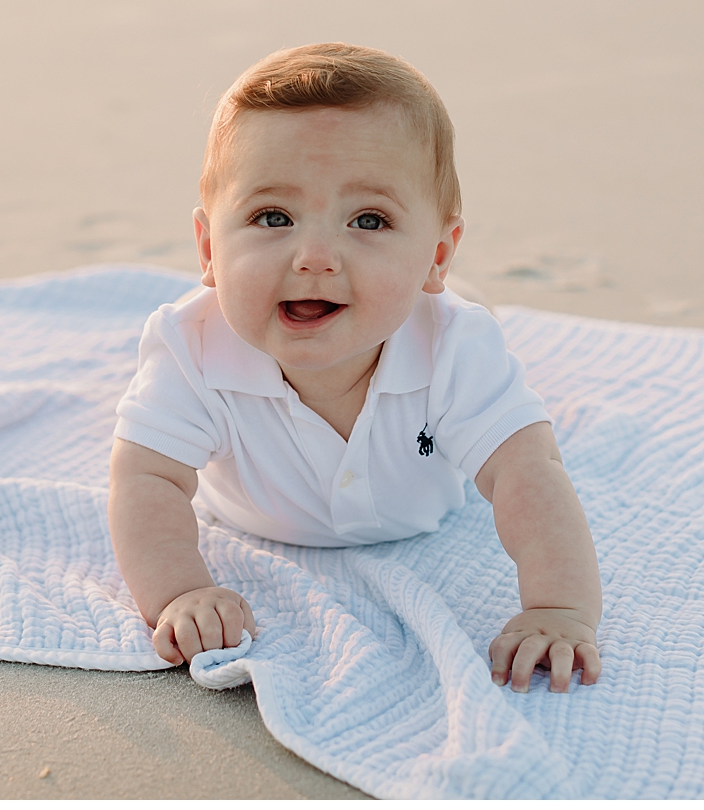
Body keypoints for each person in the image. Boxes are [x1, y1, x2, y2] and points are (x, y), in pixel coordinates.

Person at [108, 43, 602, 694]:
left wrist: (558, 607)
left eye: (368, 219)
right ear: (208, 247)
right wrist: (180, 590)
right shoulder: (191, 346)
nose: (315, 255)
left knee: (472, 332)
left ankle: (454, 287)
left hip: (427, 494)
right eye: (272, 217)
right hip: (250, 515)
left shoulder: (454, 350)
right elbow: (146, 476)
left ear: (436, 253)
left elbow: (527, 469)